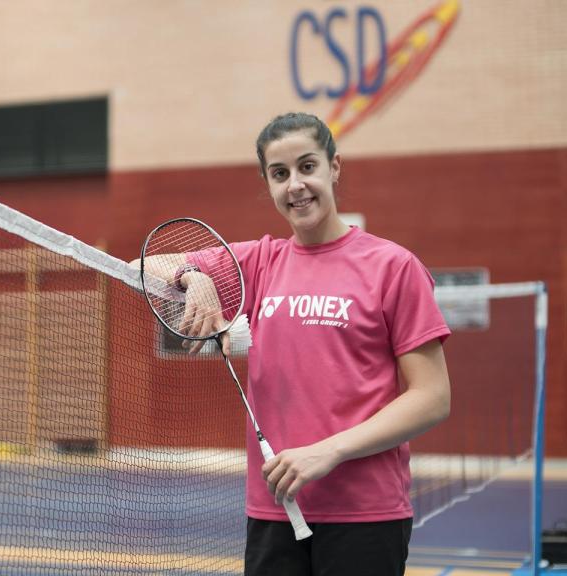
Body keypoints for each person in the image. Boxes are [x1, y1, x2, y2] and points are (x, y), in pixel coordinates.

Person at [146, 112, 451, 575]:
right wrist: (195, 279)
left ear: (335, 167)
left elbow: (432, 398)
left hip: (366, 516)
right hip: (274, 510)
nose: (296, 186)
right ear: (267, 183)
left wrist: (329, 451)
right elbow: (139, 264)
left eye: (307, 167)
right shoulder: (257, 262)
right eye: (280, 173)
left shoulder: (393, 266)